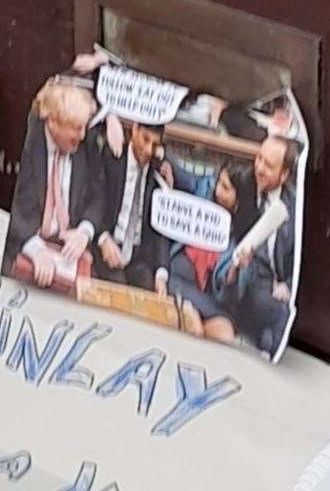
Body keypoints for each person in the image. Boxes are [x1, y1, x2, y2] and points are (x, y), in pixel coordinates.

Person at [5, 78, 99, 291]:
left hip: (68, 252)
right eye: (76, 129)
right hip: (24, 244)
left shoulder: (86, 144)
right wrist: (35, 249)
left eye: (84, 128)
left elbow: (98, 195)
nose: (81, 136)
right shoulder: (25, 142)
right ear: (53, 121)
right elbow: (10, 205)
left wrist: (84, 231)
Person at [156, 163, 250, 343]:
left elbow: (229, 293)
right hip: (178, 280)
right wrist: (163, 159)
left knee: (224, 335)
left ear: (238, 200)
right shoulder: (205, 188)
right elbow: (182, 174)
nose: (217, 191)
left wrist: (234, 271)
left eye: (225, 188)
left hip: (209, 297)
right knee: (194, 328)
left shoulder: (241, 234)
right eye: (218, 183)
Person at [225, 134, 298, 357]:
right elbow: (203, 182)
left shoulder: (293, 206)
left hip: (272, 283)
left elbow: (300, 254)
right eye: (259, 159)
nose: (259, 168)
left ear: (284, 174)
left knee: (278, 321)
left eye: (269, 165)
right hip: (244, 274)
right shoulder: (242, 181)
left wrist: (287, 283)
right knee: (277, 317)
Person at [91, 119, 167, 290]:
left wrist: (161, 273)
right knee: (117, 289)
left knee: (148, 295)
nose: (148, 150)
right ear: (135, 129)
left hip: (138, 255)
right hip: (108, 243)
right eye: (145, 140)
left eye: (155, 144)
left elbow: (161, 228)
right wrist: (103, 238)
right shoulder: (113, 158)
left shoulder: (159, 172)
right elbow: (95, 201)